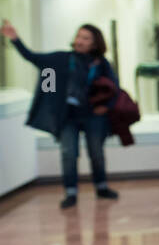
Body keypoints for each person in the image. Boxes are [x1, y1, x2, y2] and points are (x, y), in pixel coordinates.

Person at [1, 18, 119, 209]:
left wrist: (107, 106)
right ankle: (70, 192)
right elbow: (33, 57)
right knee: (68, 154)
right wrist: (15, 39)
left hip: (94, 116)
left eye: (86, 38)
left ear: (95, 43)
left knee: (96, 152)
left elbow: (114, 87)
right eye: (79, 36)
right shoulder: (61, 59)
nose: (80, 41)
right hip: (68, 117)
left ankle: (102, 187)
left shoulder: (102, 63)